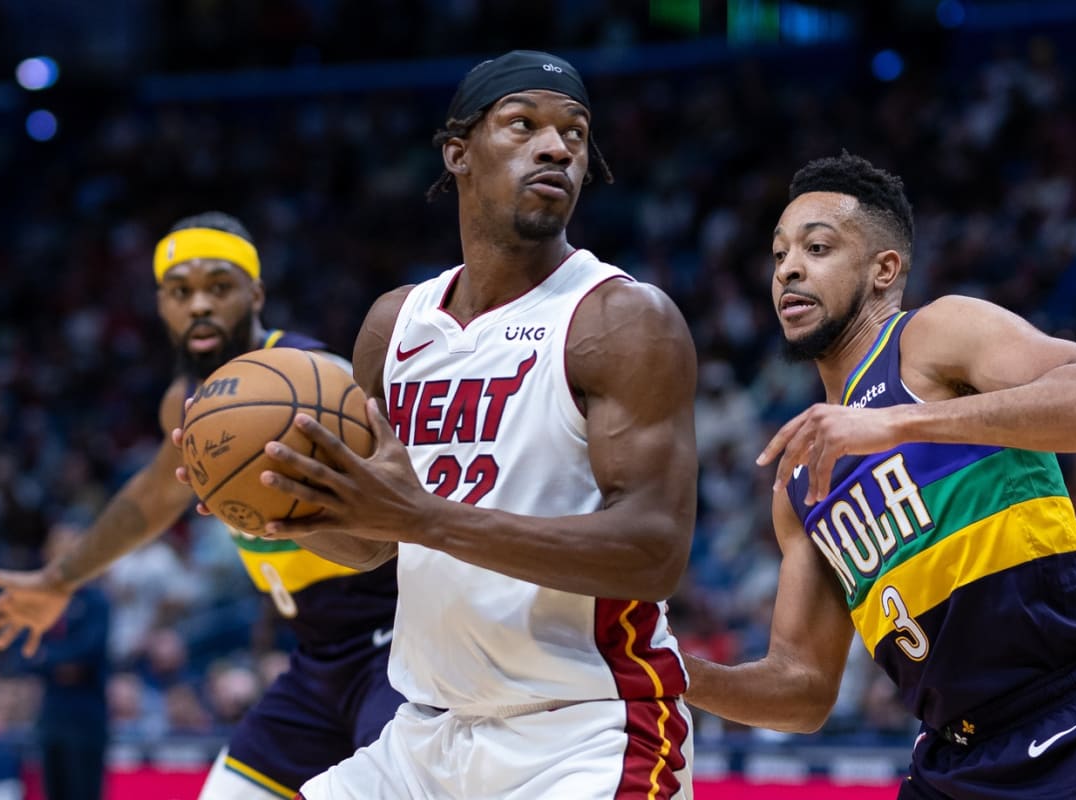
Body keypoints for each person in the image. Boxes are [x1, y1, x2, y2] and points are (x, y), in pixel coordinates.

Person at [195, 49, 700, 799]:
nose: (556, 146)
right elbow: (369, 543)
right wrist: (271, 502)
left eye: (575, 132)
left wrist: (427, 519)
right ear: (458, 152)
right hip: (428, 736)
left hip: (587, 734)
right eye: (523, 124)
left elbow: (653, 553)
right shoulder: (395, 325)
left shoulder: (620, 319)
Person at [682, 152, 1076, 799]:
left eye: (817, 248)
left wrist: (896, 424)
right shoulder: (801, 476)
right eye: (778, 254)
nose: (788, 268)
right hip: (951, 757)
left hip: (1072, 713)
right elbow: (801, 690)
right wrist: (666, 668)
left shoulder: (934, 336)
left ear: (884, 269)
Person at [0, 211, 404, 800]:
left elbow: (408, 498)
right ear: (161, 304)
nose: (199, 305)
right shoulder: (187, 403)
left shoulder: (316, 378)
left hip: (395, 644)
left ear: (255, 294)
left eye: (219, 287)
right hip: (317, 658)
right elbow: (152, 497)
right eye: (180, 291)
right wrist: (60, 579)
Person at [11, 523, 111, 800]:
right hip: (51, 714)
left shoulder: (96, 600)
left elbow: (88, 651)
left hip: (87, 715)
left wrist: (46, 657)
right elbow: (22, 654)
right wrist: (56, 662)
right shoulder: (38, 602)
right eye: (59, 550)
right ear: (48, 554)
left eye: (72, 551)